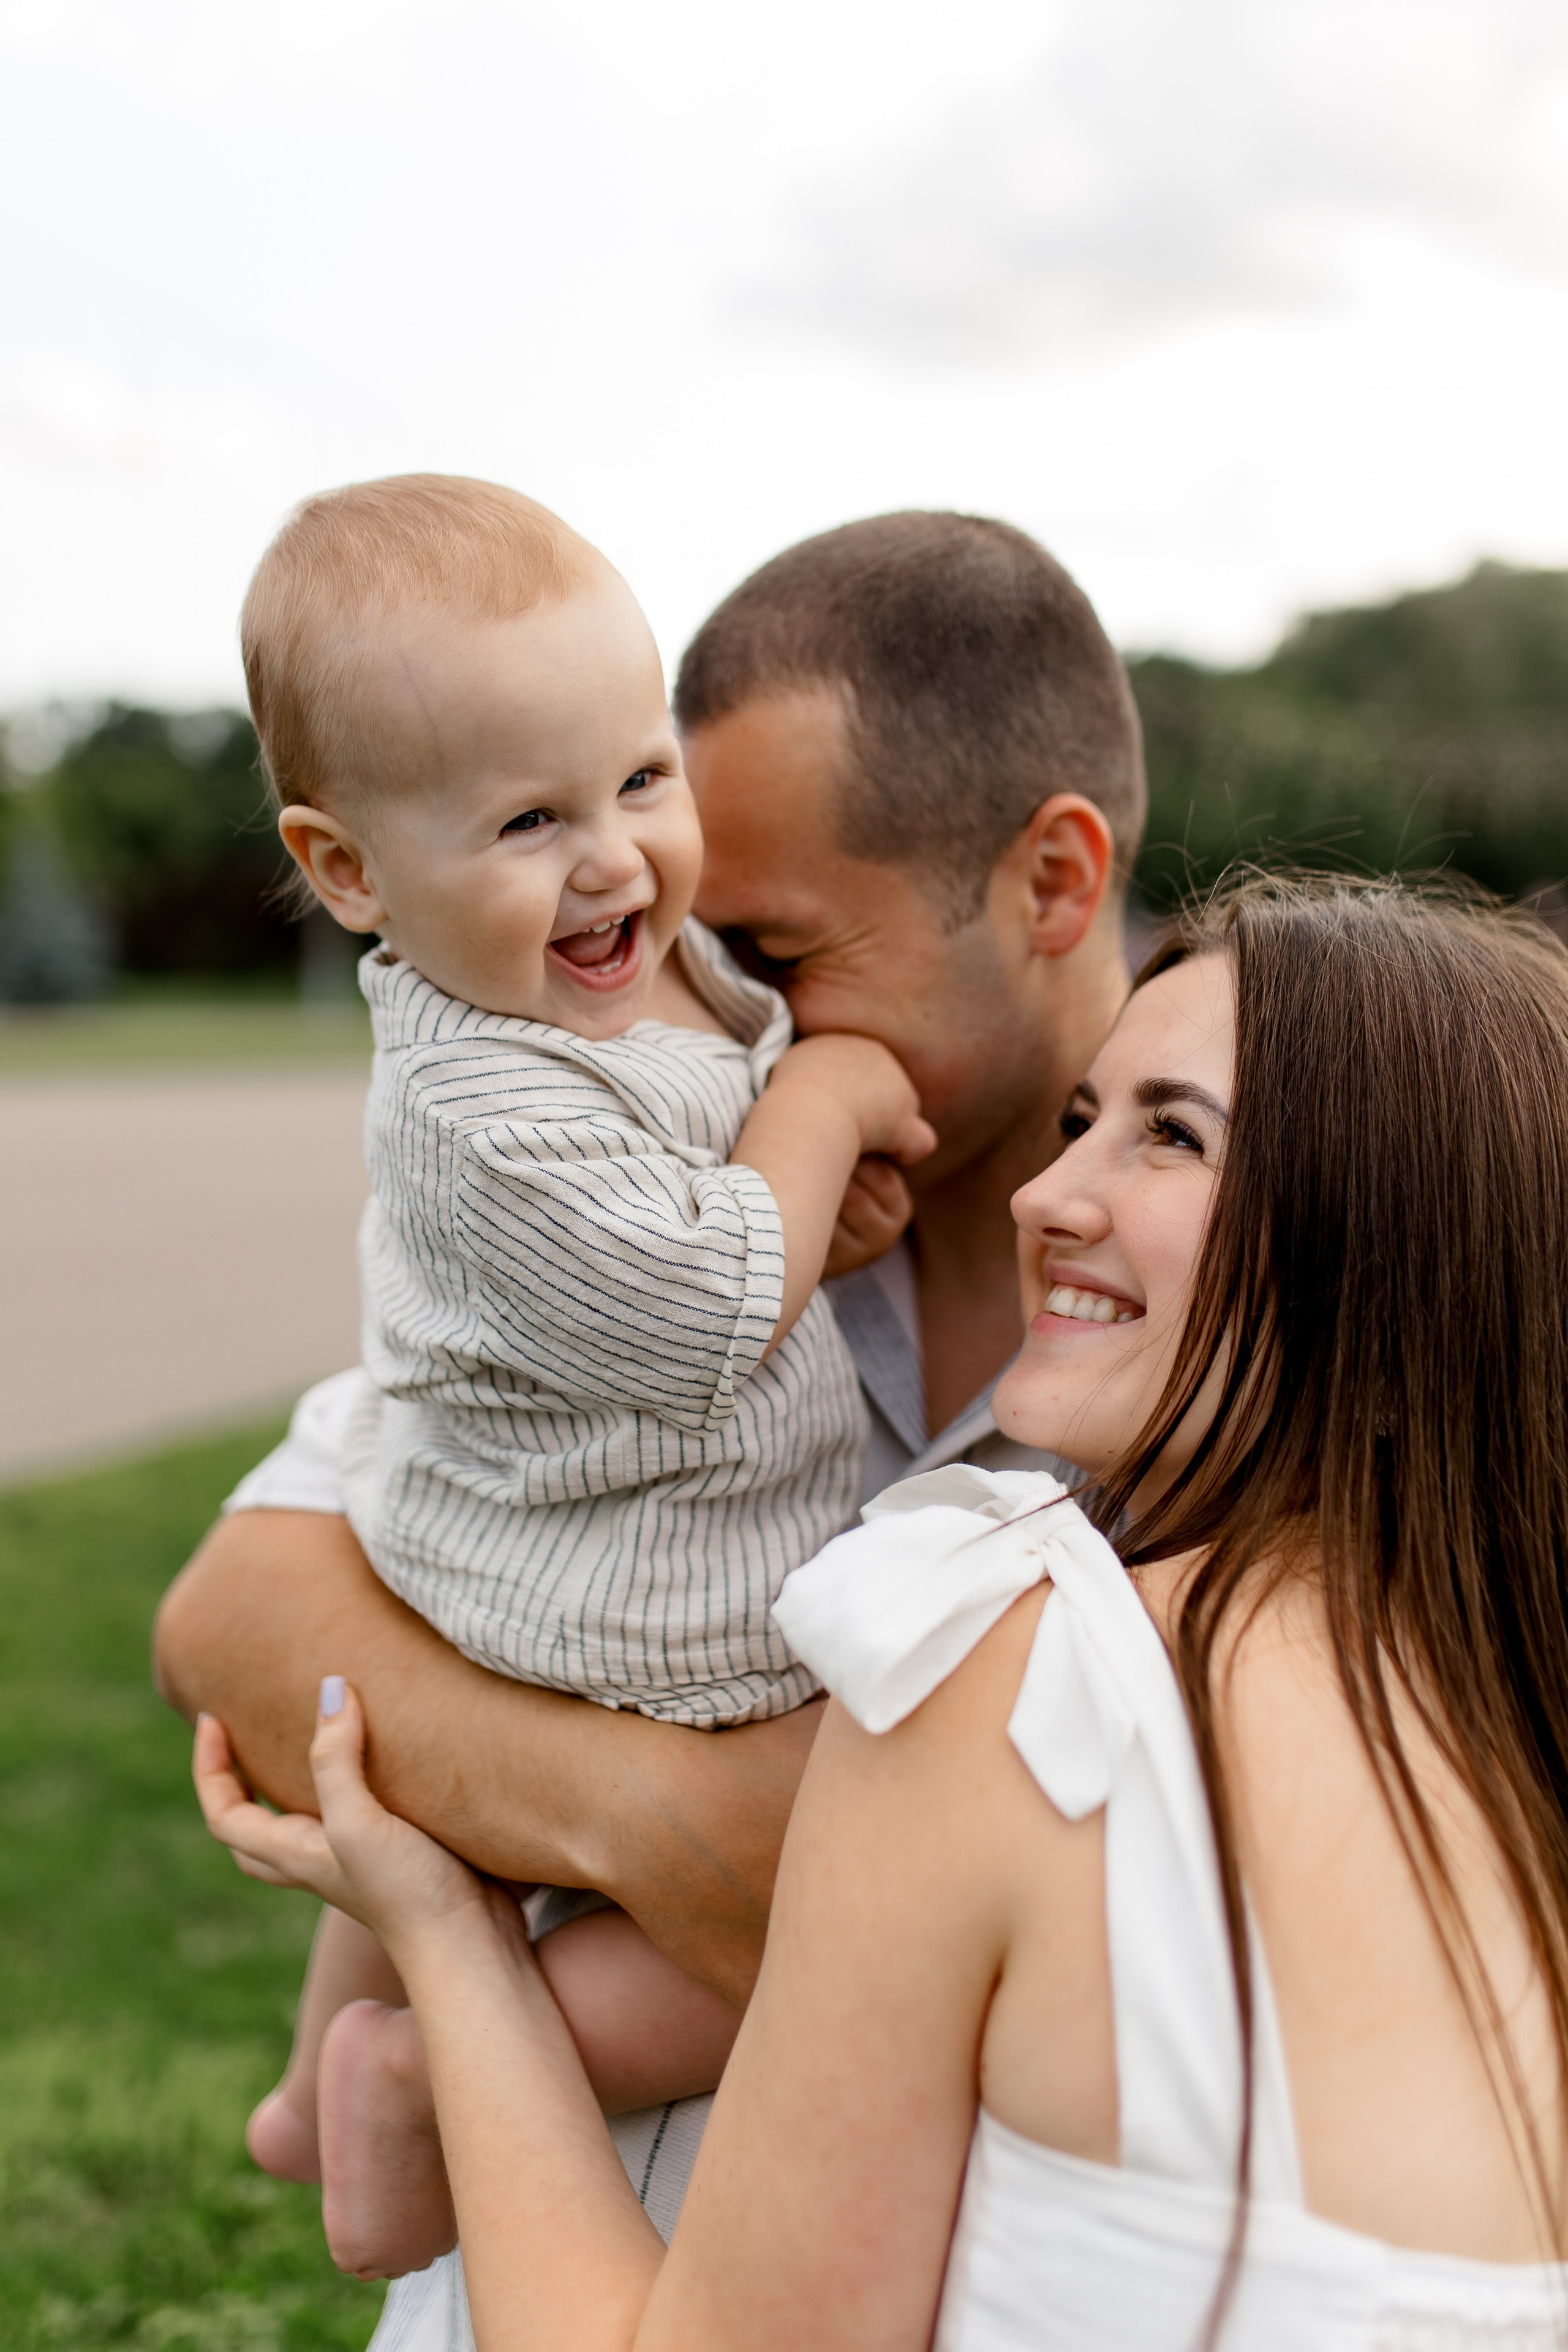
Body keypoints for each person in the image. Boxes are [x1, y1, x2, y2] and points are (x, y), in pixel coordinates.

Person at [198, 873, 1568, 2349]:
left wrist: (450, 1941)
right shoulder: (1516, 1720)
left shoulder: (1011, 1665)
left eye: (1171, 1134)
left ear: (1401, 1261)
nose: (1046, 1198)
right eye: (1081, 1121)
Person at [154, 510, 1145, 2287]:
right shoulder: (621, 1130)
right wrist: (627, 1808)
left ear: (1055, 884)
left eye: (767, 958)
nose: (706, 1004)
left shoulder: (1224, 1292)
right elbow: (231, 1611)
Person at [233, 472, 937, 2255]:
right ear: (347, 872)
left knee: (433, 1805)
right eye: (530, 819)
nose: (617, 854)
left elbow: (707, 1178)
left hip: (501, 1546)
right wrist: (831, 1098)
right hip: (649, 1606)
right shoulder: (482, 1103)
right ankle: (419, 2085)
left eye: (639, 777)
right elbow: (706, 1302)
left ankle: (312, 2092)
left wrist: (804, 1208)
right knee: (822, 1918)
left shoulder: (615, 966)